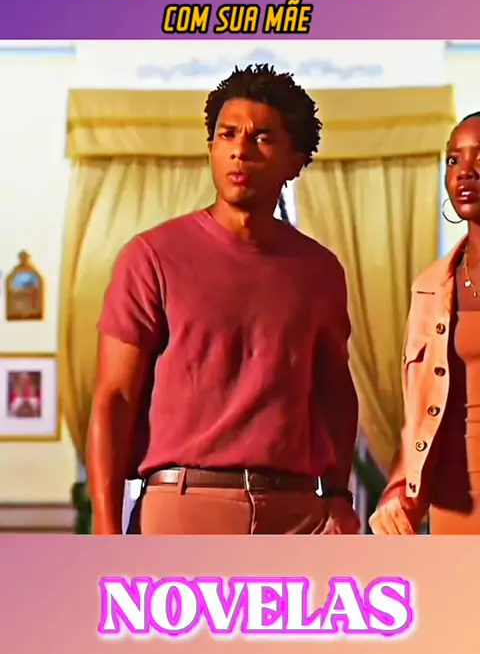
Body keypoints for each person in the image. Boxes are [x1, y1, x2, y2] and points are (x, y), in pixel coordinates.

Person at [87, 64, 360, 536]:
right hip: (182, 505)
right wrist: (106, 533)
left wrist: (337, 496)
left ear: (295, 162)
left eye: (262, 138)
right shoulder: (152, 257)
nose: (240, 149)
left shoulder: (320, 270)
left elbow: (335, 391)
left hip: (296, 513)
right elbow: (115, 398)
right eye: (227, 134)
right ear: (212, 147)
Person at [370, 112, 480, 535]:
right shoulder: (430, 287)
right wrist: (400, 491)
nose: (465, 171)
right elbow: (423, 414)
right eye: (454, 160)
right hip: (455, 504)